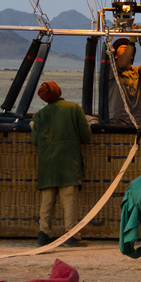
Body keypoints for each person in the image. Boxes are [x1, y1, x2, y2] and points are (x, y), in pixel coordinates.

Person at [30, 80, 92, 247]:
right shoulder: (73, 108)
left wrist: (32, 126)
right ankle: (71, 235)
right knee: (69, 199)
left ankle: (44, 233)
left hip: (46, 163)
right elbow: (85, 136)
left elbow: (34, 140)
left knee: (47, 200)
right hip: (68, 161)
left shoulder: (39, 115)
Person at [108, 35, 141, 126]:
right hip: (118, 122)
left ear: (131, 57)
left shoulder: (136, 72)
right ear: (115, 56)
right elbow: (122, 65)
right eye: (122, 47)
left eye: (127, 47)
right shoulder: (112, 70)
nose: (125, 46)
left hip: (137, 122)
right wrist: (131, 43)